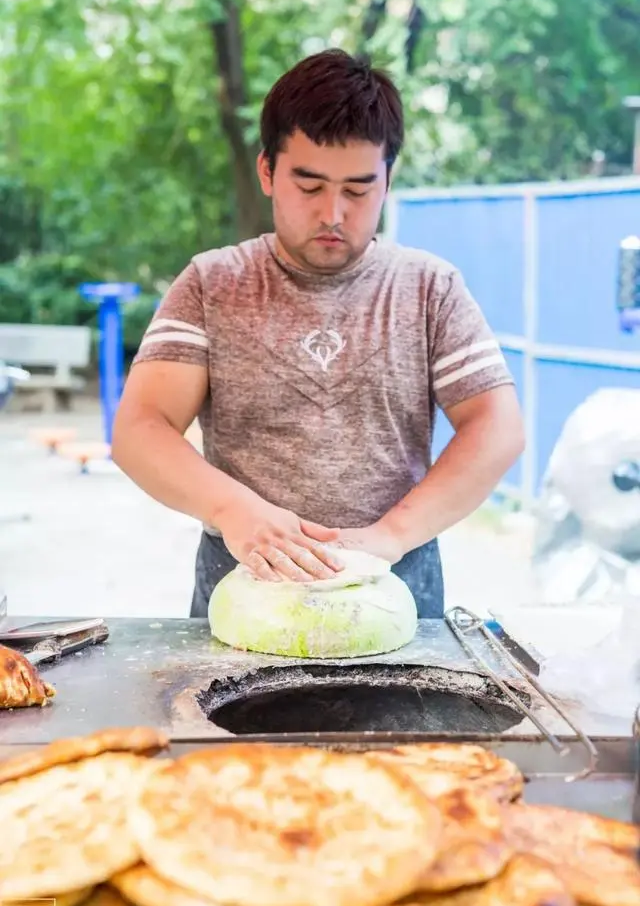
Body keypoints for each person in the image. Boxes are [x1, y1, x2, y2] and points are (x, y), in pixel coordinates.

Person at [112, 48, 525, 619]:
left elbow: (497, 428)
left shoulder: (430, 288)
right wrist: (234, 510)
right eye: (309, 187)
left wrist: (389, 535)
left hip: (395, 581)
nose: (333, 212)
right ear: (267, 172)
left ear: (388, 179)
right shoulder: (213, 283)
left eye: (358, 190)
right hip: (245, 581)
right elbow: (140, 428)